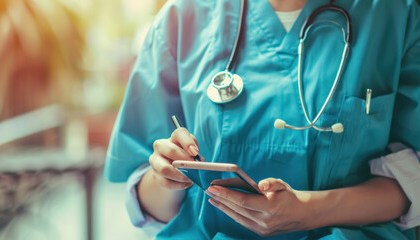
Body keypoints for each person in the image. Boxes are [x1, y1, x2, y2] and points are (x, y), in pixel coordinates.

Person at [104, 0, 420, 239]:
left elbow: (413, 182)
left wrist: (311, 212)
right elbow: (144, 200)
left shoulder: (397, 13)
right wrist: (165, 178)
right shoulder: (183, 17)